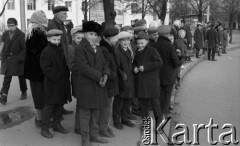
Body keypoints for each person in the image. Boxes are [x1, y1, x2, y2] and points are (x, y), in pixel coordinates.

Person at [73, 21, 109, 146]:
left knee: (96, 111)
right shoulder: (79, 48)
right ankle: (85, 139)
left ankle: (94, 135)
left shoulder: (97, 47)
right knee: (85, 113)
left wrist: (105, 75)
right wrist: (99, 76)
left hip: (98, 85)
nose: (93, 36)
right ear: (84, 33)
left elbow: (104, 63)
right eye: (90, 34)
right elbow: (83, 68)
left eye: (95, 34)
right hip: (86, 85)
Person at [40, 29, 72, 138]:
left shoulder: (60, 48)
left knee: (59, 104)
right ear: (48, 39)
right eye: (54, 39)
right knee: (49, 106)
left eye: (58, 39)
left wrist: (66, 75)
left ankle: (56, 124)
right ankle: (44, 128)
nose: (57, 41)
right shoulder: (47, 51)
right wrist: (56, 77)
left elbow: (64, 63)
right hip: (52, 84)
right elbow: (46, 68)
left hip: (62, 82)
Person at [133, 31, 163, 126]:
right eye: (138, 43)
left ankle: (159, 123)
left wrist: (145, 67)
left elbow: (159, 62)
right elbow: (135, 63)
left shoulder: (152, 50)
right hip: (141, 83)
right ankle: (145, 123)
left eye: (142, 43)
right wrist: (134, 68)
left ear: (147, 42)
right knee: (143, 106)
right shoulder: (137, 52)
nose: (140, 45)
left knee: (155, 105)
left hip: (151, 82)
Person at [24, 10, 48, 127]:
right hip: (37, 71)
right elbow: (38, 53)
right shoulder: (35, 33)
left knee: (40, 94)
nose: (45, 17)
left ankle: (42, 117)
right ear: (37, 19)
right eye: (43, 16)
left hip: (37, 70)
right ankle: (39, 119)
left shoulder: (38, 32)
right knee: (38, 95)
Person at [47, 5, 73, 114]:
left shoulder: (61, 24)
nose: (66, 15)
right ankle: (56, 111)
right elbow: (54, 43)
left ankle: (60, 108)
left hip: (64, 57)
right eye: (64, 13)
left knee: (64, 85)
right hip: (58, 58)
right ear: (57, 15)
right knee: (58, 86)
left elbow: (66, 41)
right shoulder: (52, 25)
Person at [0, 18, 27, 105]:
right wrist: (1, 54)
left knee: (21, 76)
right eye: (9, 26)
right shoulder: (5, 34)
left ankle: (24, 91)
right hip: (7, 59)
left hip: (17, 59)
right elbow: (2, 44)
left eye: (12, 26)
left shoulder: (21, 35)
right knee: (7, 77)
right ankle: (4, 96)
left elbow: (24, 49)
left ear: (16, 25)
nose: (10, 27)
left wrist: (20, 58)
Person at [99, 26, 119, 138]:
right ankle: (102, 128)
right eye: (115, 37)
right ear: (109, 38)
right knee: (105, 106)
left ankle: (104, 126)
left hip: (111, 81)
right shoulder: (104, 49)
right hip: (108, 82)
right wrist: (114, 75)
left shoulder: (109, 47)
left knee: (107, 105)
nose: (117, 39)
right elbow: (105, 66)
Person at [113, 31, 135, 130]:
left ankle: (125, 119)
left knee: (127, 100)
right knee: (119, 101)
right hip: (122, 80)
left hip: (129, 78)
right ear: (119, 41)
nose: (126, 42)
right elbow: (116, 67)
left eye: (127, 40)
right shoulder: (117, 51)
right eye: (123, 41)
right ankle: (117, 121)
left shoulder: (128, 50)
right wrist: (122, 74)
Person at [156, 25, 180, 117]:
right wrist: (179, 57)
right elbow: (175, 62)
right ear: (167, 34)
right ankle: (164, 113)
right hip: (169, 75)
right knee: (167, 95)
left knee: (159, 94)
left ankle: (158, 112)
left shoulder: (154, 45)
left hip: (158, 74)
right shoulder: (170, 46)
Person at [67, 26, 84, 135]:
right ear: (73, 38)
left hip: (83, 79)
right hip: (78, 79)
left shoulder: (83, 47)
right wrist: (86, 69)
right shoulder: (71, 49)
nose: (81, 40)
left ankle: (81, 125)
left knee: (83, 103)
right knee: (80, 103)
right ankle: (78, 127)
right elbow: (72, 66)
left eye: (82, 38)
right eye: (78, 38)